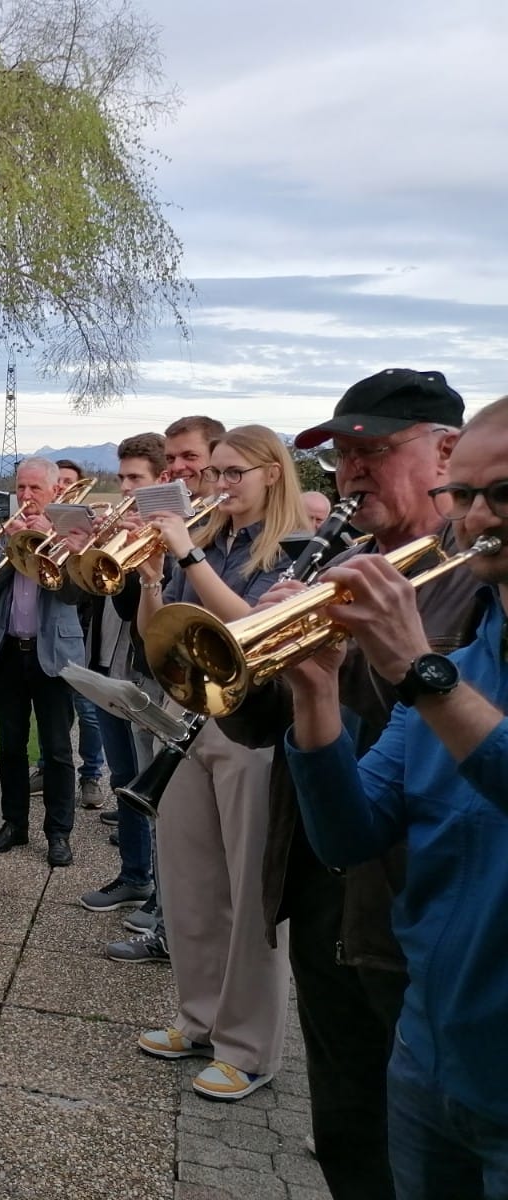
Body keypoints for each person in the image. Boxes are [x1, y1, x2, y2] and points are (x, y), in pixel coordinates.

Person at [227, 368, 472, 1198]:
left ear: (447, 451)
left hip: (414, 896)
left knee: (425, 1145)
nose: (352, 470)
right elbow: (254, 726)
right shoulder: (348, 559)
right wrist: (264, 656)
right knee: (345, 1121)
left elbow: (443, 724)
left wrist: (361, 651)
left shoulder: (474, 578)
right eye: (341, 455)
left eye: (374, 449)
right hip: (324, 869)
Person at [283, 394, 508, 1200]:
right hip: (430, 1045)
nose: (480, 517)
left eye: (502, 494)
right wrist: (311, 699)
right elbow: (352, 832)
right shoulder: (477, 649)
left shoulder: (447, 651)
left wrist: (416, 668)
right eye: (468, 497)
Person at [133, 425, 307, 1101]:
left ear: (271, 473)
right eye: (219, 472)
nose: (221, 484)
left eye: (235, 473)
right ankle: (198, 1018)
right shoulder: (210, 540)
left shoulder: (291, 549)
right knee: (191, 882)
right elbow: (163, 629)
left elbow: (254, 635)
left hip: (255, 731)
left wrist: (188, 558)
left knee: (250, 895)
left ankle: (249, 1047)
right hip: (193, 721)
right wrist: (154, 577)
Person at [102, 413, 226, 963]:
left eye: (188, 460)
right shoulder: (179, 525)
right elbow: (139, 616)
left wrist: (178, 554)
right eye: (172, 462)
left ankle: (180, 927)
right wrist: (144, 571)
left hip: (208, 695)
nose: (179, 471)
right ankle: (171, 924)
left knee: (202, 836)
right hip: (164, 675)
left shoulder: (203, 527)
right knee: (175, 821)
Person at [0, 457, 87, 865]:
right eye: (21, 488)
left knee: (57, 750)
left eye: (35, 489)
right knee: (10, 747)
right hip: (8, 653)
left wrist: (55, 547)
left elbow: (76, 596)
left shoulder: (71, 536)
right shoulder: (4, 535)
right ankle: (14, 824)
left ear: (55, 491)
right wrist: (10, 547)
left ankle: (58, 832)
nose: (25, 496)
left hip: (54, 657)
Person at [76, 433, 168, 916]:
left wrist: (137, 557)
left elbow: (139, 608)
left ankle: (162, 895)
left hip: (146, 676)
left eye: (136, 478)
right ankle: (135, 877)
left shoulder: (172, 536)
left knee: (159, 791)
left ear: (160, 481)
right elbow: (82, 599)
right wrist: (83, 553)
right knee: (126, 782)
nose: (126, 487)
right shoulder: (122, 530)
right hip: (106, 668)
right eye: (123, 476)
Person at [38, 458, 107, 806]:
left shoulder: (88, 526)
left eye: (69, 484)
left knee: (88, 711)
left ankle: (91, 776)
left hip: (85, 628)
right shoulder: (42, 524)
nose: (62, 489)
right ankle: (46, 766)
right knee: (54, 711)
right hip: (54, 633)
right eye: (58, 483)